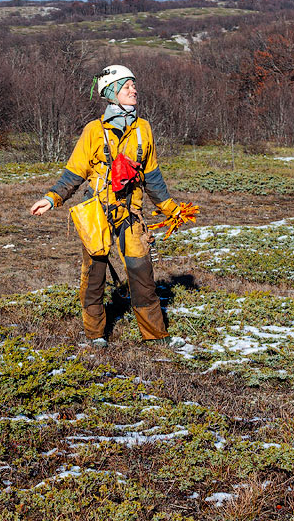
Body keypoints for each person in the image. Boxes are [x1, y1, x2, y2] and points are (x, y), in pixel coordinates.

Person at [29, 65, 182, 348]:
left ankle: (155, 335)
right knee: (94, 275)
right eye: (127, 87)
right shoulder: (93, 131)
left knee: (142, 274)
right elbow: (74, 173)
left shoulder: (144, 129)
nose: (134, 91)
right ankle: (95, 335)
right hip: (96, 213)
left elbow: (152, 177)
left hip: (131, 215)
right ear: (112, 93)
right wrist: (52, 198)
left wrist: (172, 209)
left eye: (134, 86)